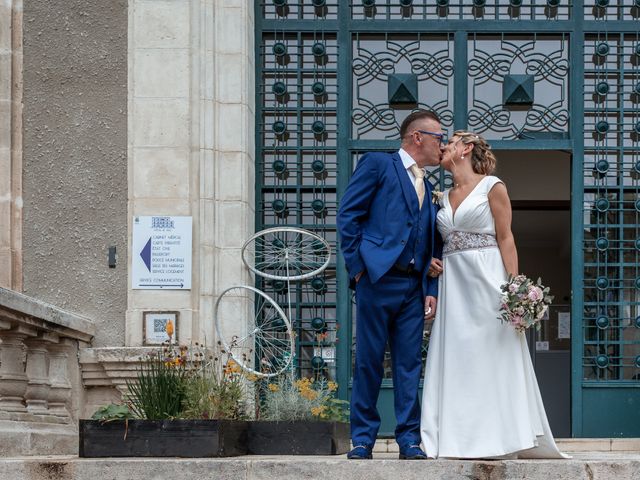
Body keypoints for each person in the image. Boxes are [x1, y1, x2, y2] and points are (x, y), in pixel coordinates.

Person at [420, 131, 568, 459]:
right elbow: (435, 243)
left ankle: (501, 436)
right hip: (454, 284)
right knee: (458, 358)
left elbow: (506, 237)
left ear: (466, 148)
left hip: (488, 280)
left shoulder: (492, 186)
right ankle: (457, 438)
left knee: (492, 353)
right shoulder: (440, 198)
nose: (443, 147)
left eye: (451, 143)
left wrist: (516, 289)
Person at [337, 110, 444, 460]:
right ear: (417, 137)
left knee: (409, 364)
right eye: (438, 137)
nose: (441, 144)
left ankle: (408, 439)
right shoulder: (378, 165)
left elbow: (429, 243)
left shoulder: (428, 187)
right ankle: (363, 439)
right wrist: (357, 269)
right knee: (368, 361)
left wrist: (430, 290)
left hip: (413, 288)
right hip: (377, 280)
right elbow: (349, 216)